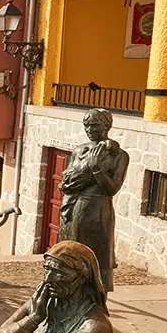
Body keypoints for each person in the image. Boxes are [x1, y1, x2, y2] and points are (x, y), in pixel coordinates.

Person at [58, 108, 129, 291]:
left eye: (94, 125)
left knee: (97, 255)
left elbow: (112, 188)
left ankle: (97, 297)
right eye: (86, 126)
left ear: (106, 125)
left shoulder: (119, 155)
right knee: (71, 252)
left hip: (98, 211)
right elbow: (66, 180)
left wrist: (96, 169)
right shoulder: (79, 150)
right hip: (74, 206)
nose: (89, 130)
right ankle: (69, 291)